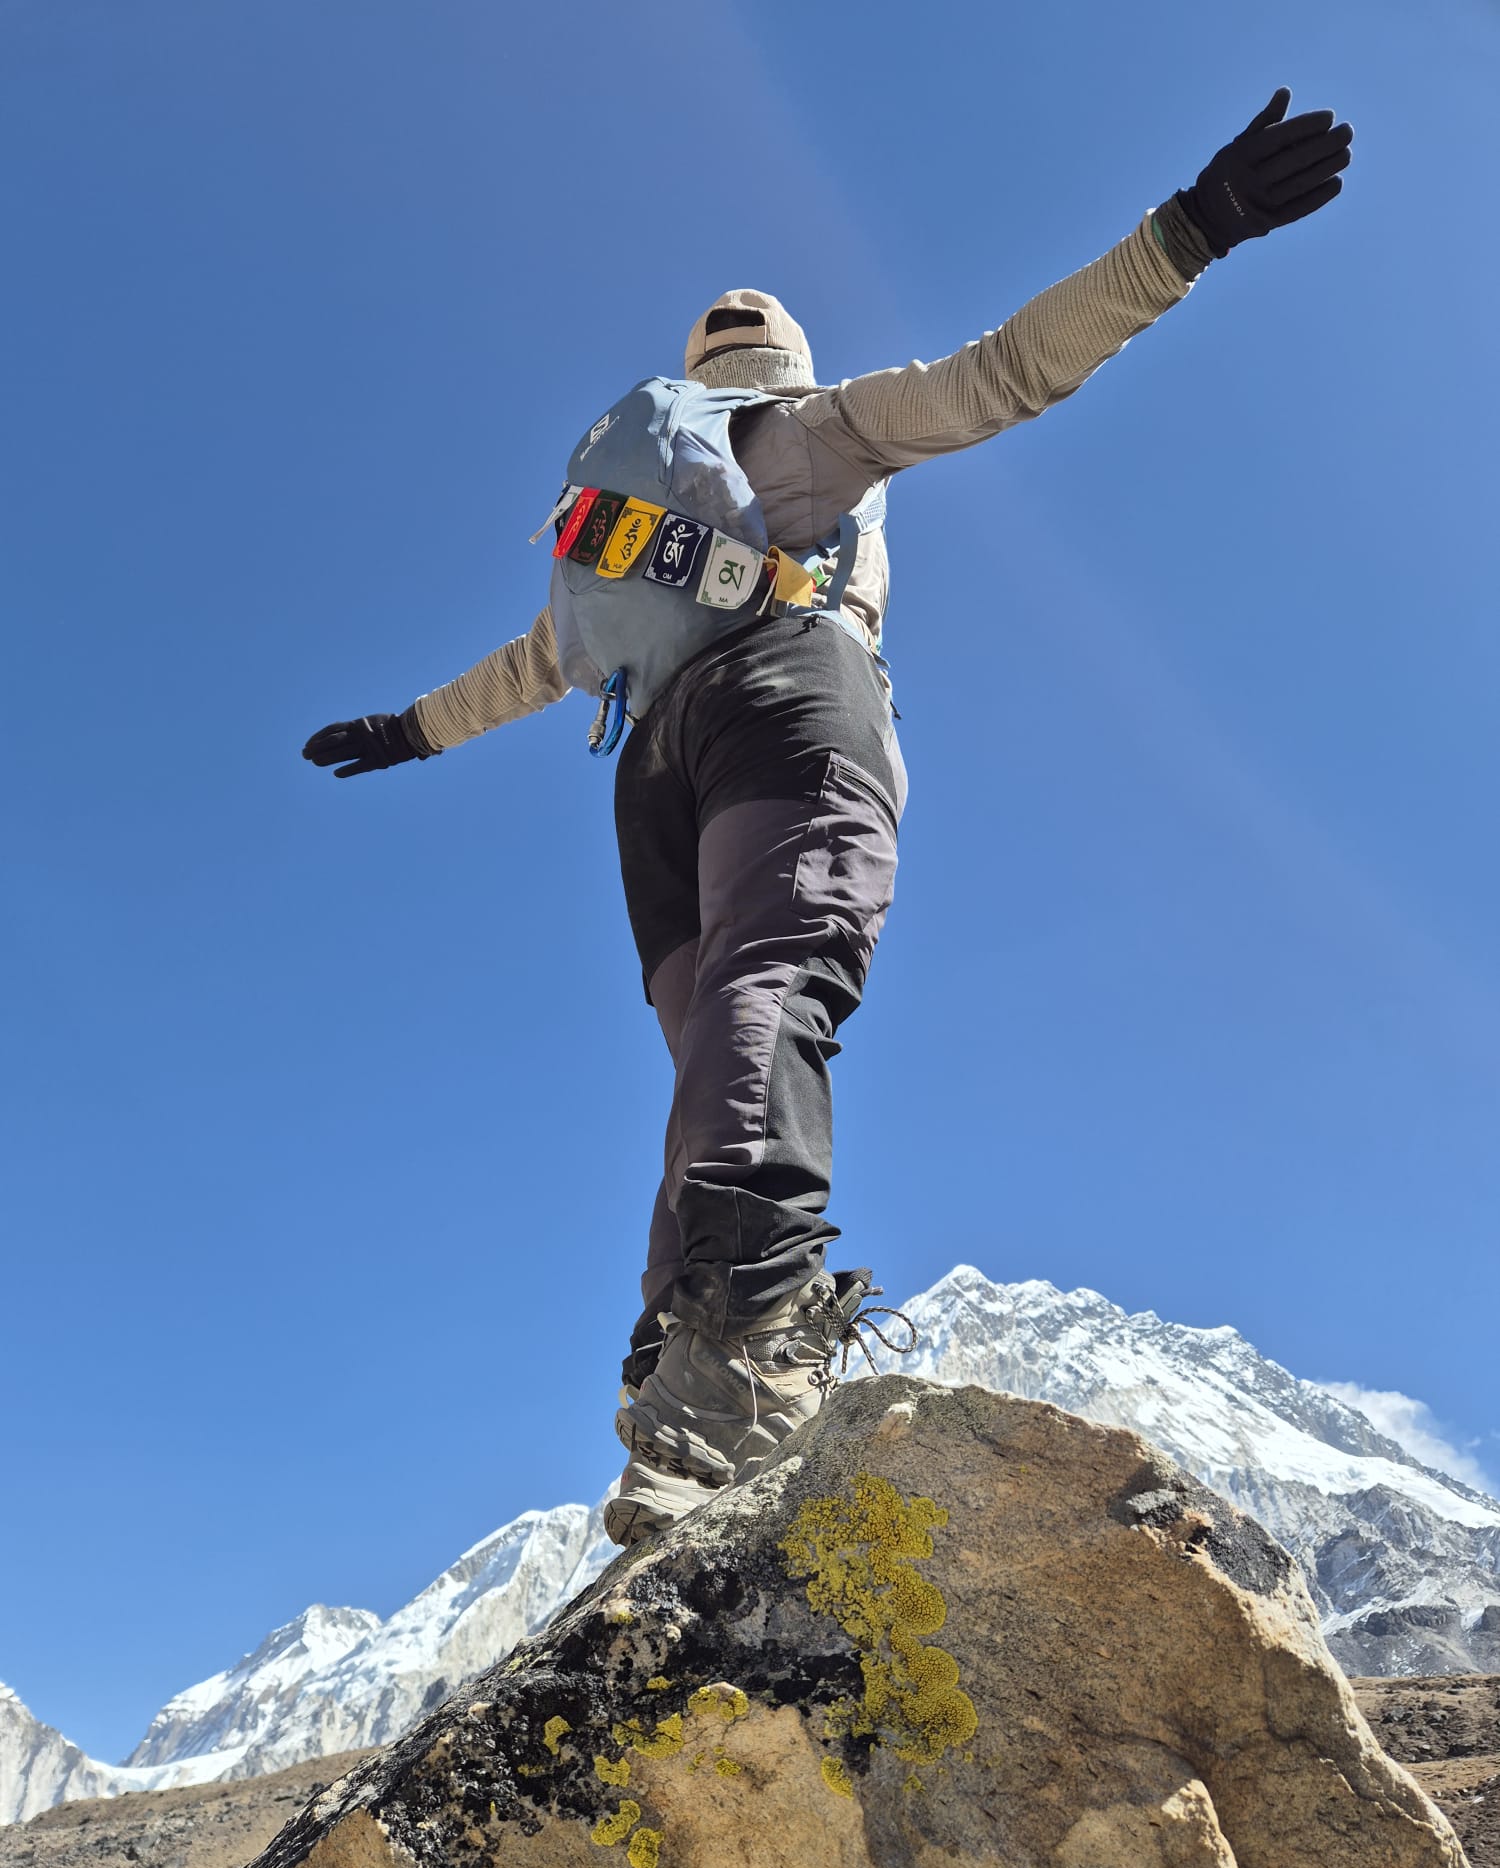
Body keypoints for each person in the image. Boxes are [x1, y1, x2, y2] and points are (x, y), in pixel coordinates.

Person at [304, 89, 1353, 1547]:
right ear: (778, 370)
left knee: (714, 1046)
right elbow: (1004, 373)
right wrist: (1191, 232)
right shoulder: (806, 435)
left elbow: (538, 666)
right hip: (793, 702)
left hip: (646, 774)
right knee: (779, 989)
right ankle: (740, 1354)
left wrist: (406, 733)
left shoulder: (613, 531)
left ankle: (672, 1363)